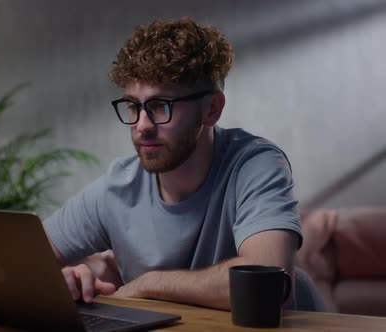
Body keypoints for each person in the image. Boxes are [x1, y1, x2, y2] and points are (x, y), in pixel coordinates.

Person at [43, 17, 302, 311]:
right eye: (133, 106)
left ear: (212, 110)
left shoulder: (255, 165)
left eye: (159, 106)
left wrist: (149, 284)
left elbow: (265, 285)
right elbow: (20, 259)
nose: (142, 126)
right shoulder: (117, 187)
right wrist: (70, 278)